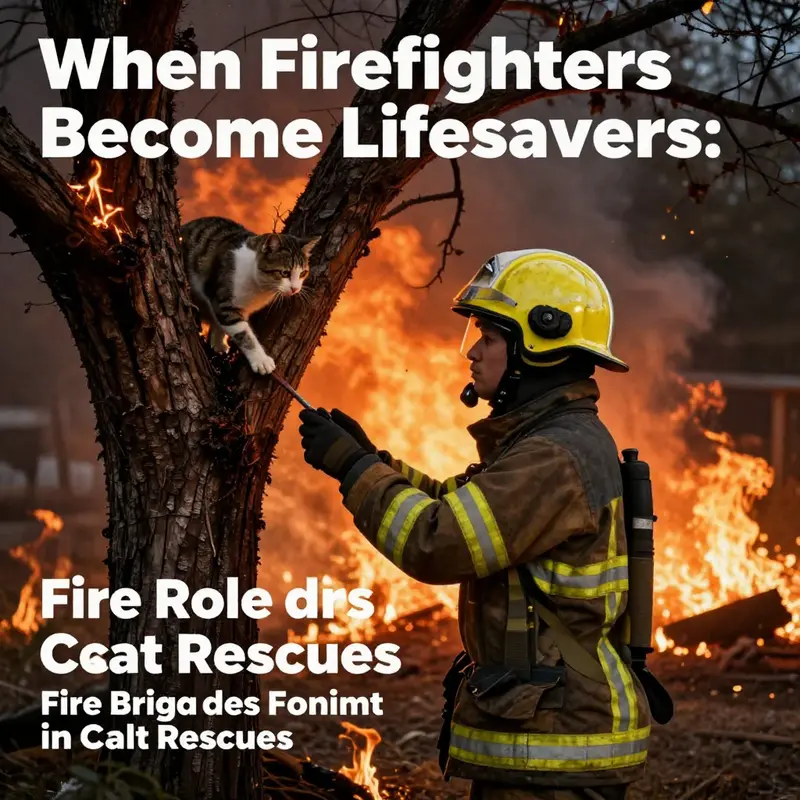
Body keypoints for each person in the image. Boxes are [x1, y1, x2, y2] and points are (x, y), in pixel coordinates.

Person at [298, 249, 650, 800]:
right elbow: (457, 505)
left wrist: (353, 469)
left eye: (488, 336)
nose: (473, 352)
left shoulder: (555, 456)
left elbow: (438, 540)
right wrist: (374, 459)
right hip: (547, 732)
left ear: (541, 342)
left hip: (557, 746)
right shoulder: (545, 441)